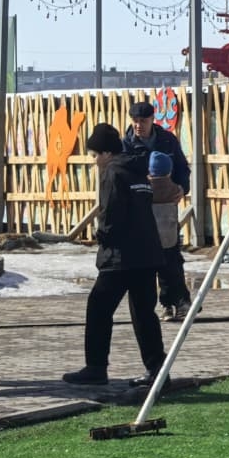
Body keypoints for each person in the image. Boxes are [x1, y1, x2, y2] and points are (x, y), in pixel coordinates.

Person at [63, 123, 167, 387]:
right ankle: (157, 370)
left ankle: (96, 367)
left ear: (106, 153)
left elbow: (110, 212)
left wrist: (103, 238)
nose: (94, 161)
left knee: (98, 308)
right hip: (147, 253)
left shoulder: (113, 172)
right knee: (144, 314)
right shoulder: (138, 172)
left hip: (121, 256)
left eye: (95, 155)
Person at [123, 100, 192, 321]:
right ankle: (162, 304)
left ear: (153, 120)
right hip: (141, 211)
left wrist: (181, 188)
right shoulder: (127, 145)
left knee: (170, 256)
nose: (138, 125)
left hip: (166, 209)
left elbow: (182, 169)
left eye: (143, 121)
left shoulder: (167, 141)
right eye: (135, 121)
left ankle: (177, 301)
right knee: (147, 260)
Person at [145, 151, 188, 323]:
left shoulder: (146, 189)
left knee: (150, 275)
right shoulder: (174, 189)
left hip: (149, 240)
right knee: (169, 274)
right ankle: (174, 303)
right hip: (170, 239)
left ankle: (163, 307)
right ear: (169, 171)